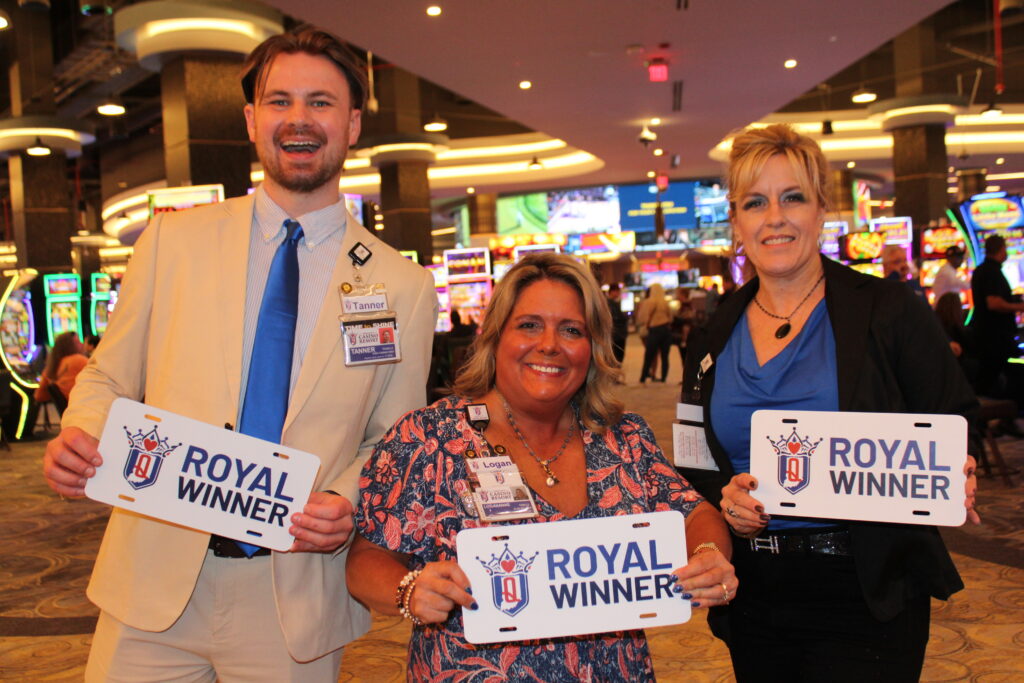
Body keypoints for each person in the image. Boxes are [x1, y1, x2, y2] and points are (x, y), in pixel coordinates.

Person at [41, 27, 438, 681]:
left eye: (320, 102)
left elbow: (394, 439)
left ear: (352, 124)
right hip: (155, 576)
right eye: (280, 101)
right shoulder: (171, 241)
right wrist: (82, 433)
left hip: (292, 595)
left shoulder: (403, 285)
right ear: (252, 121)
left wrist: (348, 498)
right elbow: (109, 374)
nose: (299, 119)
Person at [681, 124, 979, 682]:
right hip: (756, 592)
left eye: (793, 197)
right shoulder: (713, 332)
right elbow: (693, 458)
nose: (775, 218)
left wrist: (955, 469)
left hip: (867, 587)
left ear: (821, 210)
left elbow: (953, 414)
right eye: (755, 202)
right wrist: (724, 501)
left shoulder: (888, 307)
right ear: (736, 222)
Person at [348, 253, 736, 681]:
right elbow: (367, 558)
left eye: (571, 330)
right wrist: (409, 590)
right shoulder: (429, 438)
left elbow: (695, 514)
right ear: (494, 335)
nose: (550, 344)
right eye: (529, 325)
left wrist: (707, 554)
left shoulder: (623, 437)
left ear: (593, 347)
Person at [970, 234, 1024, 397]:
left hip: (985, 332)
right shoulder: (992, 272)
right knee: (992, 376)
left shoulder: (981, 270)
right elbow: (993, 303)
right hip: (994, 335)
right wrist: (1019, 307)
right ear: (1001, 250)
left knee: (990, 375)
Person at [34, 331, 89, 406]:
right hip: (83, 406)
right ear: (70, 346)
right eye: (78, 342)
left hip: (69, 409)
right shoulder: (78, 360)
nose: (82, 344)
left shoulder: (50, 367)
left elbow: (39, 396)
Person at [637, 281, 672, 383]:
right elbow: (671, 318)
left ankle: (643, 377)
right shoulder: (665, 302)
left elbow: (642, 318)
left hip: (654, 331)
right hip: (665, 330)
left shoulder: (648, 302)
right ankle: (663, 378)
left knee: (649, 356)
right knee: (665, 356)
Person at [605, 282, 629, 365]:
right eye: (617, 291)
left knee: (616, 358)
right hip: (616, 335)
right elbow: (615, 318)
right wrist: (625, 317)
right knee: (617, 358)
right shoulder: (610, 303)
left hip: (616, 334)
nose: (618, 293)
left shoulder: (613, 303)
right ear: (612, 291)